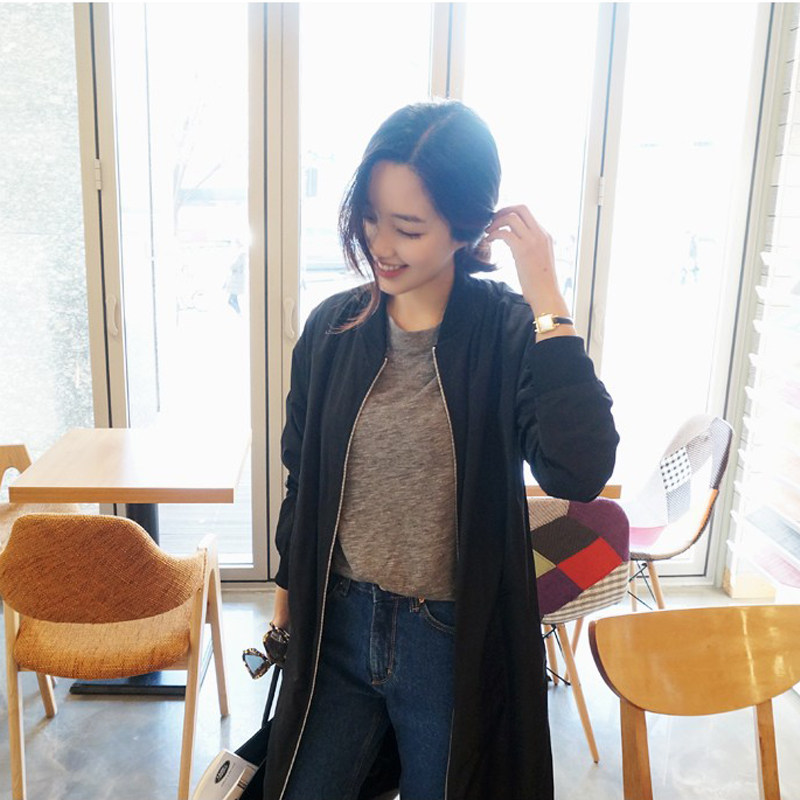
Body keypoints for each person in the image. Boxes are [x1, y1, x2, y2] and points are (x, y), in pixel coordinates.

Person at [264, 100, 619, 800]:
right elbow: (303, 478)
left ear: (465, 228)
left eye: (408, 228)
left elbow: (579, 469)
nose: (381, 245)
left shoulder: (509, 334)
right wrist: (286, 598)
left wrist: (546, 296)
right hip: (337, 622)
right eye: (372, 218)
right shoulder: (333, 330)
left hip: (450, 639)